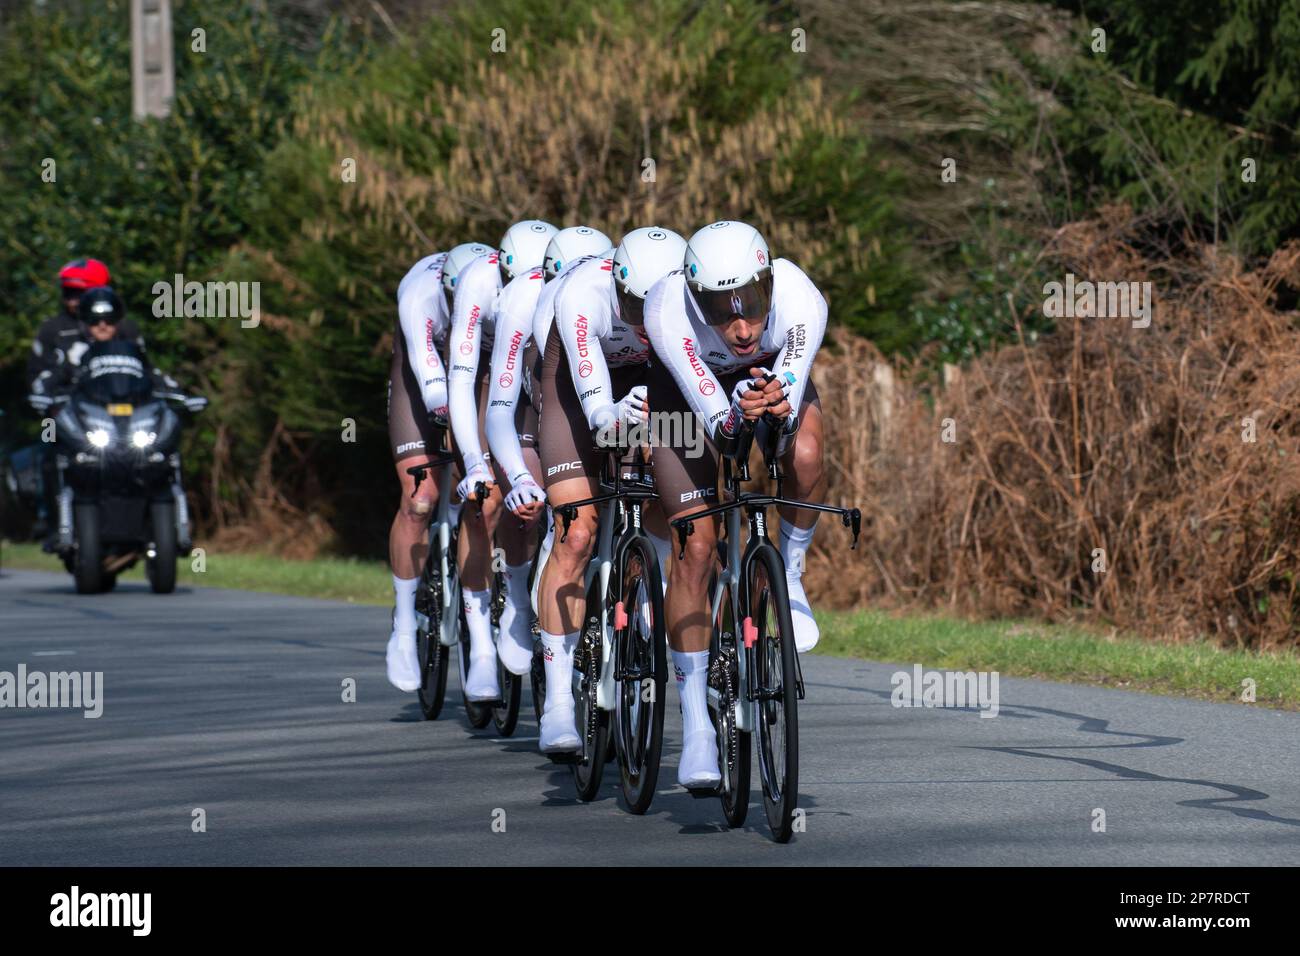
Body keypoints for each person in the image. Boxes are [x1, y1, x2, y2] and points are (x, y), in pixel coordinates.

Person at [642, 219, 828, 788]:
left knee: (806, 456)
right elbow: (719, 428)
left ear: (770, 283)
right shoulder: (667, 311)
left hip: (768, 384)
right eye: (722, 311)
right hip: (688, 398)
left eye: (752, 304)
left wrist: (775, 402)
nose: (742, 326)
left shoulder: (801, 296)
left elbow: (789, 398)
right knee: (695, 548)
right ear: (698, 302)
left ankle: (789, 571)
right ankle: (696, 723)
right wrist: (735, 415)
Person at [532, 226, 687, 753]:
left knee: (675, 498)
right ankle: (556, 704)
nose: (645, 318)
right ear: (617, 285)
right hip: (575, 393)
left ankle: (648, 594)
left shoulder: (682, 300)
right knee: (576, 532)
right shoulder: (582, 295)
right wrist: (613, 417)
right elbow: (596, 402)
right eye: (635, 306)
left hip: (647, 385)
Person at [442, 224, 560, 700]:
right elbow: (460, 378)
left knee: (535, 489)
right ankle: (483, 645)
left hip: (534, 367)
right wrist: (474, 464)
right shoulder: (479, 283)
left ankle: (527, 587)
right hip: (481, 370)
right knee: (485, 499)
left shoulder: (552, 293)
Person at [385, 242, 491, 692]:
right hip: (422, 371)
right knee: (420, 499)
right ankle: (405, 624)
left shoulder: (494, 289)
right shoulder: (419, 297)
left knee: (486, 494)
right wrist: (447, 414)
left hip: (479, 364)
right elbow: (431, 382)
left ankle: (483, 627)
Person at [28, 259, 146, 398]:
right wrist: (67, 368)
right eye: (68, 292)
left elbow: (146, 370)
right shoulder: (52, 329)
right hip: (72, 408)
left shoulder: (124, 327)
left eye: (78, 293)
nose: (72, 300)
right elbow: (36, 380)